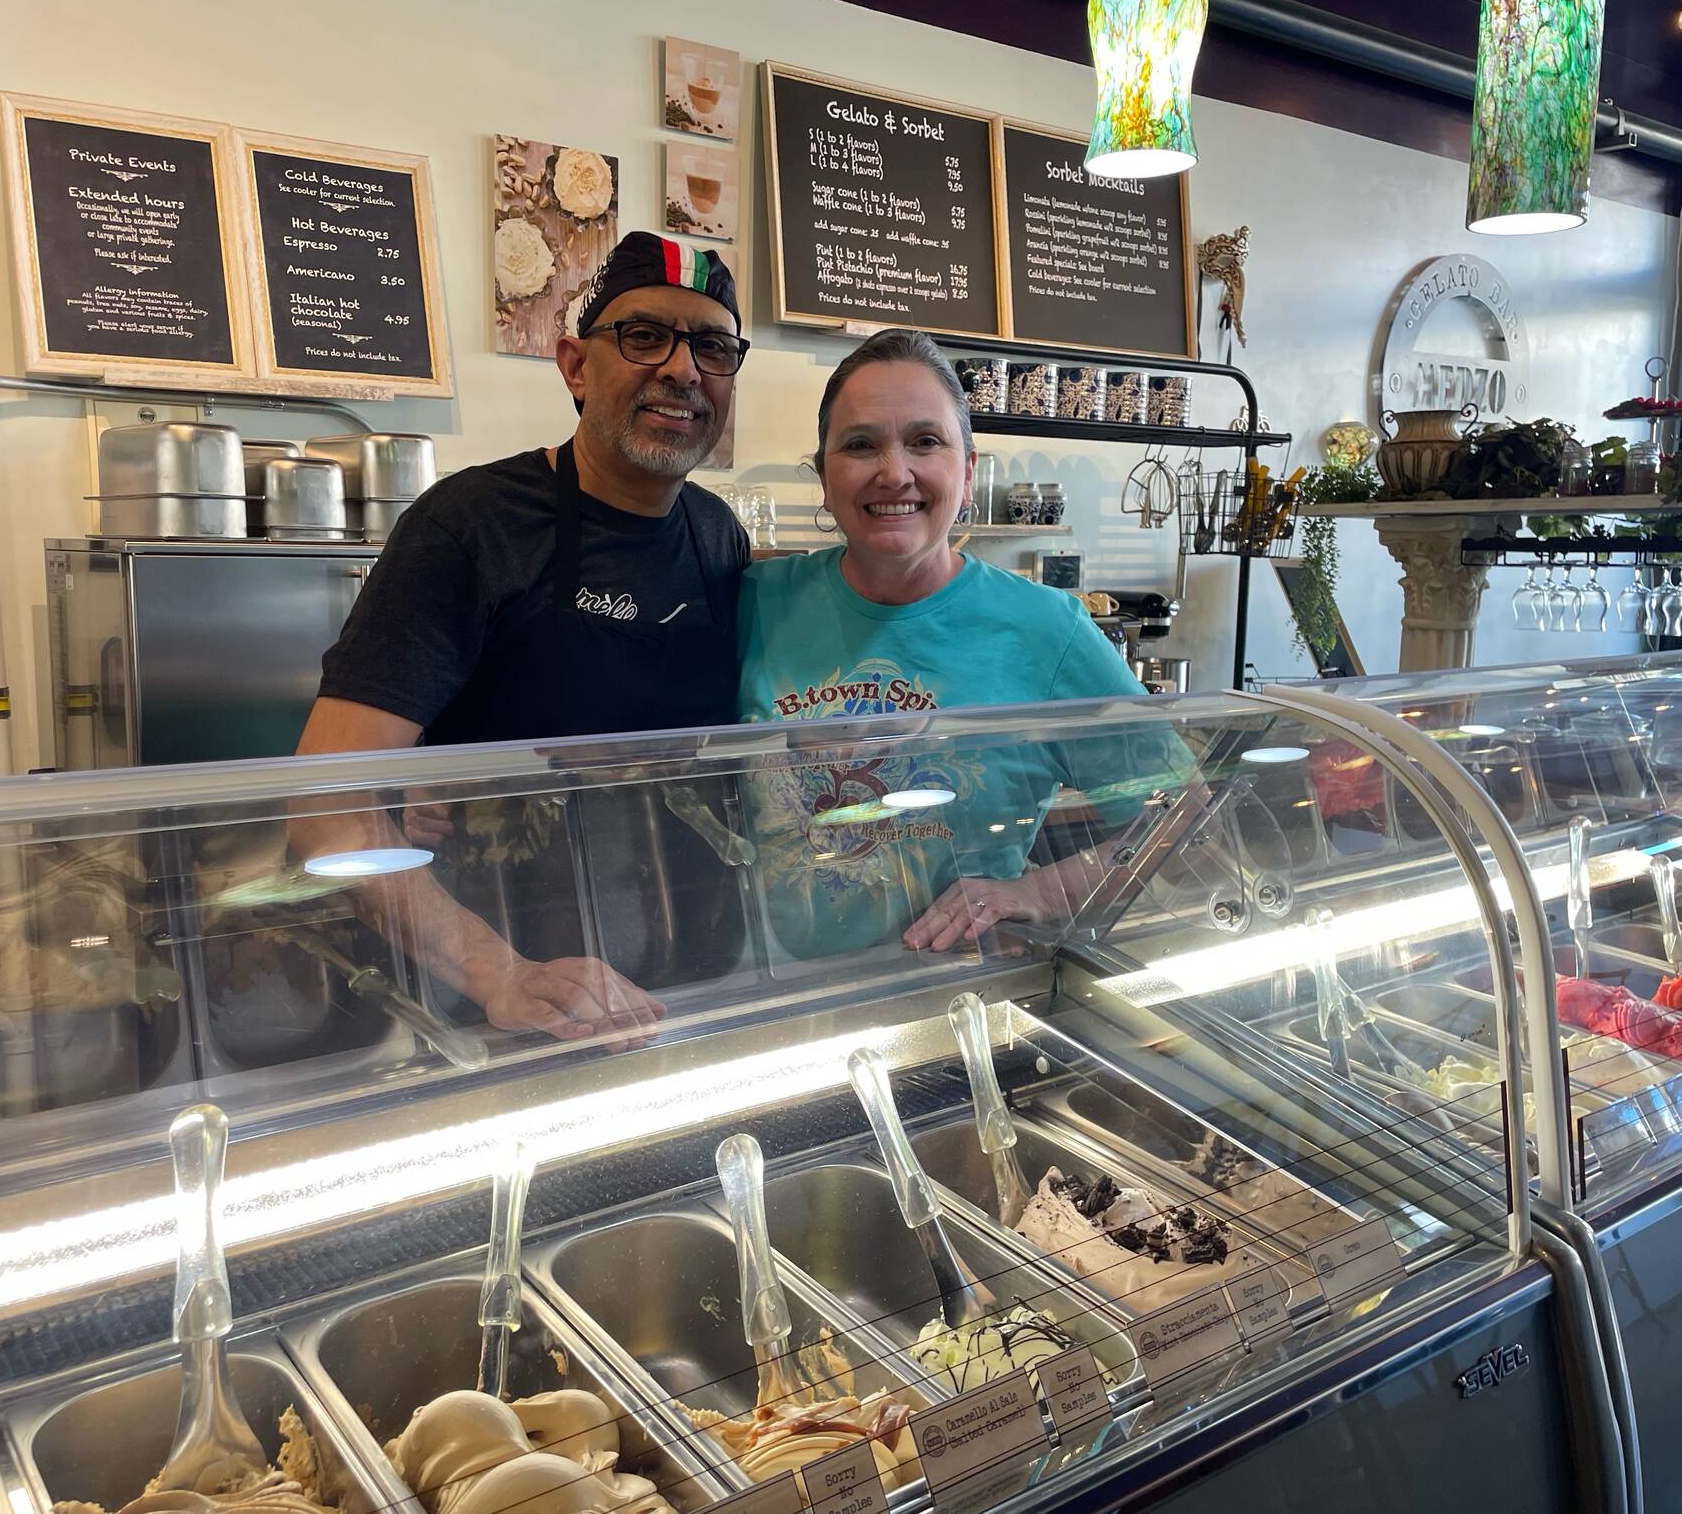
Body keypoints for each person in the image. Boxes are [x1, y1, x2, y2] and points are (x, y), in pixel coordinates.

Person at [292, 232, 753, 1049]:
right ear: (576, 365)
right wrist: (498, 973)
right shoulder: (469, 526)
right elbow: (328, 808)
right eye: (645, 336)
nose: (683, 369)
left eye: (712, 347)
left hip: (684, 975)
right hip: (500, 998)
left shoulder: (718, 536)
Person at [735, 328, 1186, 959]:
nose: (894, 473)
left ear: (967, 471)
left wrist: (1038, 894)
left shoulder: (1046, 628)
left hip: (958, 997)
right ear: (824, 477)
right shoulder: (755, 601)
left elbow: (1182, 812)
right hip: (765, 1000)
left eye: (925, 442)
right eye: (861, 444)